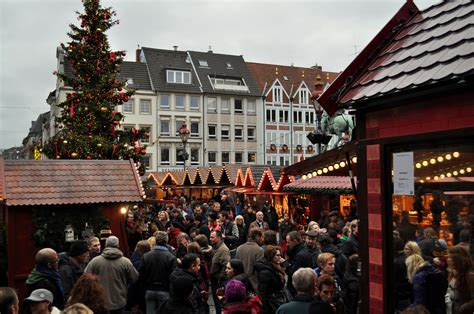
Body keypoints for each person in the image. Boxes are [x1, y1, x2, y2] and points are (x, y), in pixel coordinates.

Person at [85, 235, 138, 314]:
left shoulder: (95, 261)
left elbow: (85, 277)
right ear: (118, 245)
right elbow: (135, 278)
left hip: (100, 300)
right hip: (119, 300)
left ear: (106, 245)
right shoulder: (126, 262)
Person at [139, 231, 178, 313]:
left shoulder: (146, 256)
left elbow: (141, 275)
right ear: (166, 241)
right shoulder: (171, 257)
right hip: (165, 290)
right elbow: (174, 276)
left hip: (149, 290)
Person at [254, 245, 288, 313]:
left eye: (280, 255)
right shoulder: (265, 272)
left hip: (279, 300)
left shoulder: (276, 267)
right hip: (273, 303)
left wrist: (285, 264)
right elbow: (262, 292)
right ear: (271, 257)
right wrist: (266, 309)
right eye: (277, 255)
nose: (280, 257)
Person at [445, 246, 474, 313]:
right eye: (448, 257)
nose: (448, 259)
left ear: (458, 259)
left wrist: (461, 309)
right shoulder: (452, 273)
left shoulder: (470, 276)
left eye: (451, 257)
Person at [235, 228, 264, 292]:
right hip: (254, 284)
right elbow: (259, 269)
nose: (263, 239)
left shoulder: (239, 248)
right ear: (257, 237)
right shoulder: (259, 250)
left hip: (240, 282)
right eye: (261, 237)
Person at [285, 231, 313, 296]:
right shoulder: (304, 251)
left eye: (288, 242)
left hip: (298, 289)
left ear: (295, 241)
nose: (287, 244)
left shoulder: (299, 255)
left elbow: (293, 273)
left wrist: (285, 264)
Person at [210, 230, 231, 314]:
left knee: (220, 303)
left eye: (212, 237)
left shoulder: (223, 249)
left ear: (218, 238)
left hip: (219, 281)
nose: (210, 238)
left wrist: (220, 279)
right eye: (210, 237)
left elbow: (226, 265)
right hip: (215, 280)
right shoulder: (216, 247)